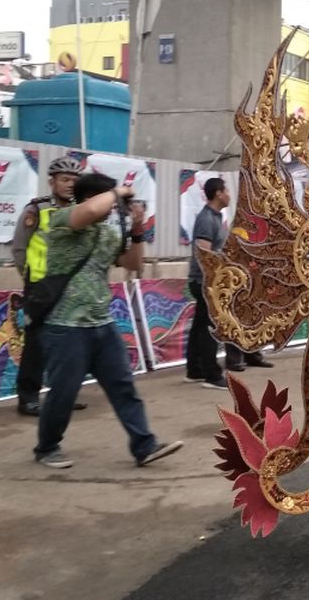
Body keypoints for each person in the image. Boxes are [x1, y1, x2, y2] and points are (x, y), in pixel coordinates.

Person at [33, 172, 183, 470]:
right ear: (94, 198)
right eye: (111, 202)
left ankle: (144, 446)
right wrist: (119, 190)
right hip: (65, 325)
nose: (115, 209)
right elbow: (88, 211)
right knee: (63, 392)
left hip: (101, 322)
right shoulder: (62, 220)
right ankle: (47, 447)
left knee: (123, 386)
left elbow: (133, 265)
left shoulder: (107, 234)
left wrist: (138, 229)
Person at [10, 156, 86, 417]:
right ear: (52, 182)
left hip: (69, 287)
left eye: (75, 181)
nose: (70, 185)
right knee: (36, 345)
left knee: (67, 345)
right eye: (65, 180)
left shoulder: (80, 210)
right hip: (41, 288)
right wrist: (31, 279)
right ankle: (28, 398)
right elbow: (20, 248)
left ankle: (61, 395)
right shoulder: (37, 210)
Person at [187, 177, 272, 388]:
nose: (229, 194)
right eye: (226, 190)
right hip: (205, 281)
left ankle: (194, 370)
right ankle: (211, 375)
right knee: (211, 326)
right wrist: (214, 279)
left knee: (199, 326)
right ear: (218, 193)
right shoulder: (206, 219)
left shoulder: (216, 217)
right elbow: (203, 251)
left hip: (209, 280)